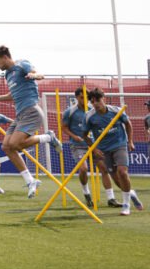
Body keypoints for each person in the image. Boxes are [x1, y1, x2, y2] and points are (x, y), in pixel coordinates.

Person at [0, 46, 62, 198]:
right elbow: (14, 94)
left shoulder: (21, 64)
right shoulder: (8, 75)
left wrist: (34, 76)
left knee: (16, 144)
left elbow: (38, 74)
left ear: (5, 57)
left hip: (31, 111)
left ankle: (48, 137)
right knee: (6, 147)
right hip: (20, 115)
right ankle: (30, 180)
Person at [84, 88, 142, 216]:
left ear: (103, 98)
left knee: (122, 172)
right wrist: (95, 149)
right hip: (104, 150)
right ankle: (131, 193)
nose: (95, 104)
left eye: (97, 100)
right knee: (116, 179)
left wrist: (130, 141)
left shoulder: (116, 111)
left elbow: (128, 124)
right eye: (92, 102)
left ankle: (126, 205)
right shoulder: (90, 117)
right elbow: (84, 135)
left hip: (119, 145)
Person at [60, 88, 110, 207]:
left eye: (86, 98)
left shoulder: (93, 110)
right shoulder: (70, 112)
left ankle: (111, 197)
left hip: (93, 145)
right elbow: (64, 127)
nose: (84, 100)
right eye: (81, 97)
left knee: (104, 168)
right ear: (76, 97)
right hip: (78, 145)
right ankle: (86, 193)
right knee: (83, 169)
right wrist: (74, 136)